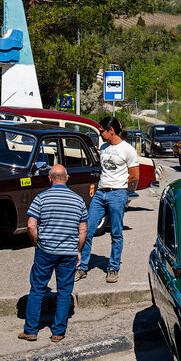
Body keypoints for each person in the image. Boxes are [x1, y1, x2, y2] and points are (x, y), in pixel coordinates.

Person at [19, 164, 88, 343]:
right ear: (67, 178)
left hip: (45, 251)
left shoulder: (41, 198)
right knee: (65, 292)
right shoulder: (78, 200)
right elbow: (83, 230)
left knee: (37, 289)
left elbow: (31, 225)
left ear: (50, 178)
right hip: (69, 252)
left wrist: (37, 243)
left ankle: (31, 330)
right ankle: (58, 332)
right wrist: (79, 250)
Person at [79, 117, 140, 283]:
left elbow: (135, 176)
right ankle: (82, 266)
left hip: (117, 194)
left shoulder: (128, 150)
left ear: (111, 131)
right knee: (87, 229)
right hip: (100, 193)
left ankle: (113, 268)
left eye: (102, 131)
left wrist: (120, 184)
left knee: (116, 233)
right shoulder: (104, 147)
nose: (100, 134)